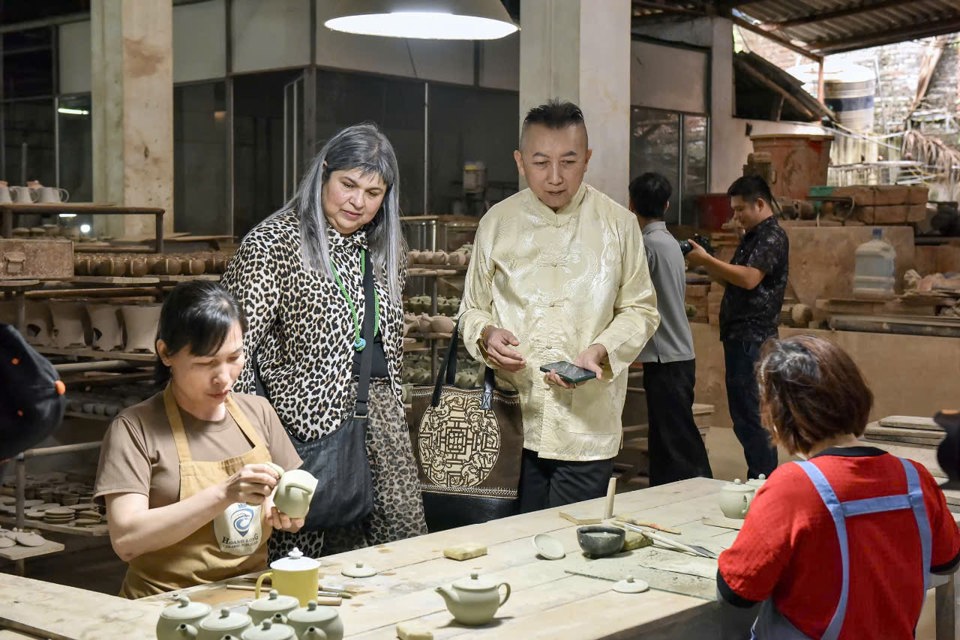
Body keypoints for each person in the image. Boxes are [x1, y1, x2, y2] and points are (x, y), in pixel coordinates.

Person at [222, 123, 427, 560]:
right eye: (348, 185)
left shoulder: (386, 248)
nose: (358, 202)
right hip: (301, 436)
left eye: (373, 193)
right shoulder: (273, 242)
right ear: (324, 174)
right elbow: (234, 352)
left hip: (382, 424)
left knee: (398, 556)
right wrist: (260, 445)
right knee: (301, 559)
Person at [459, 99, 660, 512]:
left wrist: (601, 350)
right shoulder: (497, 223)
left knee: (573, 542)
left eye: (568, 162)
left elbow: (641, 309)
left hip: (586, 424)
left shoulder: (618, 224)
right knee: (511, 545)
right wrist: (485, 334)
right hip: (510, 420)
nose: (554, 178)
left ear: (586, 159)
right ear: (519, 162)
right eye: (540, 162)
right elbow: (471, 309)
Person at [717, 336, 960, 639]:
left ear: (780, 415)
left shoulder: (793, 487)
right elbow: (948, 561)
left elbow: (736, 591)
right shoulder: (915, 479)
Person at [94, 281, 303, 598]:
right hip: (162, 604)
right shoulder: (134, 428)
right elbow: (126, 540)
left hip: (250, 598)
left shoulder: (258, 412)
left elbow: (295, 486)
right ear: (165, 353)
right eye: (206, 363)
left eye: (235, 357)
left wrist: (290, 508)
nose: (224, 377)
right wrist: (224, 494)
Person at [685, 175, 787, 479]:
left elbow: (748, 278)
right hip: (739, 337)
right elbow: (735, 279)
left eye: (740, 209)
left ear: (760, 203)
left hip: (753, 338)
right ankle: (759, 476)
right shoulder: (753, 236)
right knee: (743, 415)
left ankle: (764, 479)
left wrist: (707, 260)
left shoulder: (772, 236)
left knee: (753, 415)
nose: (735, 217)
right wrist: (706, 263)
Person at [628, 172, 712, 485]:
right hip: (677, 354)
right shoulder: (670, 244)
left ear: (631, 204)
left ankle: (703, 489)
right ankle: (664, 495)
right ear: (666, 204)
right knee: (665, 439)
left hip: (666, 357)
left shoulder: (647, 247)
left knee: (678, 440)